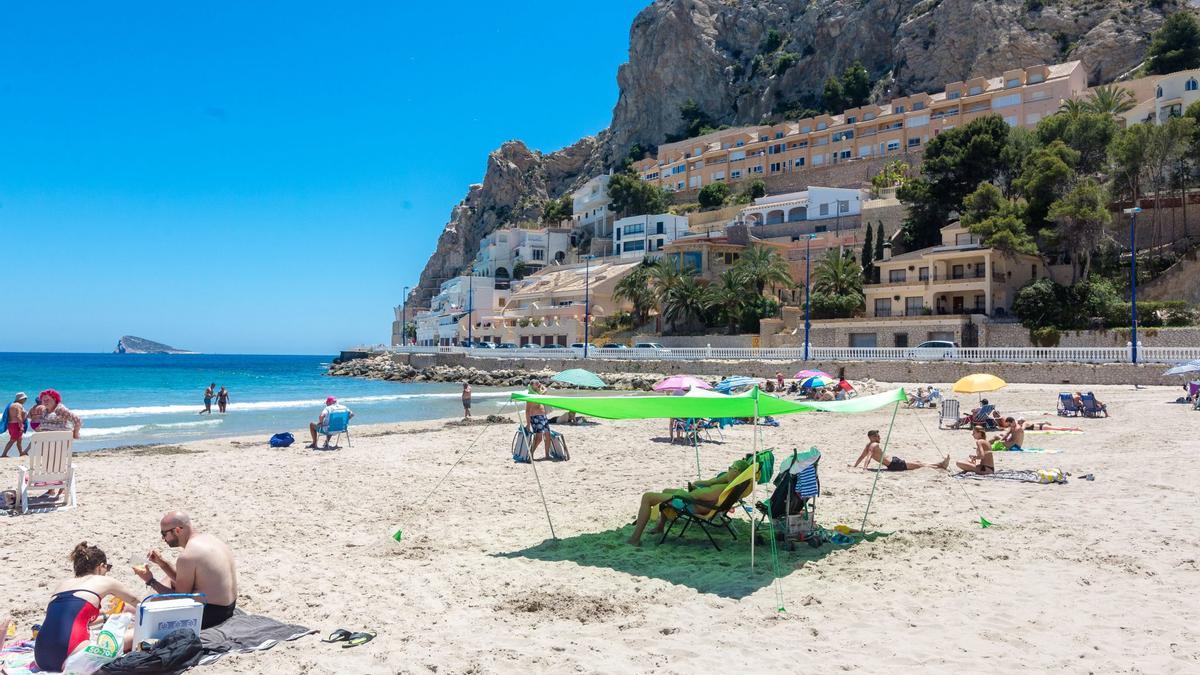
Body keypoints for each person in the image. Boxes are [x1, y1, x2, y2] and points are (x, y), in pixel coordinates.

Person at [34, 542, 142, 672]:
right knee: (135, 633)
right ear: (101, 566)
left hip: (40, 657)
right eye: (107, 568)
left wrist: (107, 616)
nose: (107, 572)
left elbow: (70, 622)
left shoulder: (62, 585)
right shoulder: (105, 581)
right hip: (70, 657)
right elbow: (137, 601)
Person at [134, 511, 238, 629]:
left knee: (155, 601)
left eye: (164, 533)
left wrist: (150, 581)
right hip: (229, 607)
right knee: (170, 580)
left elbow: (181, 599)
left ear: (177, 530)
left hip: (212, 614)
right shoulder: (210, 539)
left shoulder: (188, 556)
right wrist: (162, 564)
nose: (163, 538)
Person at [628, 458, 752, 546]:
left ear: (737, 472)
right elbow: (703, 492)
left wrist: (692, 491)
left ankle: (635, 538)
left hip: (691, 505)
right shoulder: (731, 487)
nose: (729, 468)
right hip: (698, 504)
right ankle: (659, 527)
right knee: (666, 490)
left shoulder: (722, 489)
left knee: (647, 497)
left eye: (732, 467)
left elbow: (694, 495)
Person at [851, 430, 948, 472]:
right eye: (876, 436)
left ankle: (939, 464)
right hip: (894, 464)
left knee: (918, 462)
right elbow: (868, 456)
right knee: (919, 465)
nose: (879, 437)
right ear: (871, 437)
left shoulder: (868, 445)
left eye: (879, 435)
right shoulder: (874, 445)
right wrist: (865, 468)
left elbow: (862, 456)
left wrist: (855, 466)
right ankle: (940, 465)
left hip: (894, 462)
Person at [525, 381, 553, 460]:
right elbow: (527, 411)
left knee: (548, 436)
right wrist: (528, 424)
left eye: (538, 382)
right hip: (536, 418)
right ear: (531, 385)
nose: (538, 384)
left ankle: (547, 455)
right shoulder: (530, 396)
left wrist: (541, 384)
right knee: (539, 438)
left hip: (543, 417)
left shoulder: (539, 394)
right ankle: (530, 454)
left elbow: (545, 390)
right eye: (536, 383)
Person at [2, 392, 28, 458]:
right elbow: (18, 416)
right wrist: (21, 426)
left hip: (11, 425)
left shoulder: (12, 405)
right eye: (25, 399)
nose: (25, 400)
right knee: (12, 440)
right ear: (21, 399)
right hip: (16, 425)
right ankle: (4, 454)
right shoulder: (18, 405)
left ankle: (21, 453)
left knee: (19, 439)